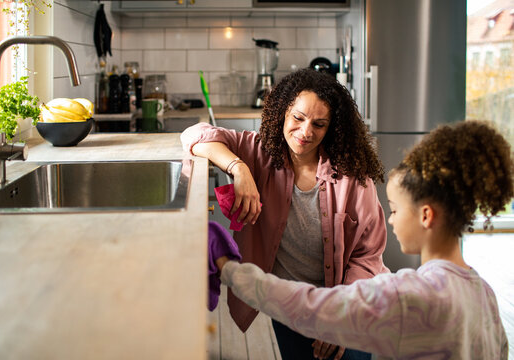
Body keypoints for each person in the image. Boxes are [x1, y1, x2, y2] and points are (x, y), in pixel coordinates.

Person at [212, 120, 513, 359]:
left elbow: (307, 306)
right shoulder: (483, 293)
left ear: (425, 216)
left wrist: (228, 268)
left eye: (395, 209)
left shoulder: (408, 296)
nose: (391, 219)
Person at [182, 68, 388, 360]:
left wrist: (340, 318)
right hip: (290, 304)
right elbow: (195, 134)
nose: (306, 132)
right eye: (298, 118)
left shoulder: (352, 175)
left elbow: (367, 256)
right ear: (282, 112)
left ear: (332, 128)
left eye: (319, 124)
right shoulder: (260, 151)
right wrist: (238, 168)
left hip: (347, 302)